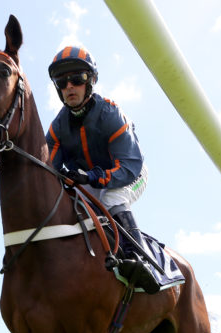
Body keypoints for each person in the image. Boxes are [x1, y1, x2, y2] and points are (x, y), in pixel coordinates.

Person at [45, 46, 160, 294]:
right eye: (62, 82)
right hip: (92, 178)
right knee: (70, 203)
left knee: (111, 197)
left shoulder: (111, 113)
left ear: (91, 81)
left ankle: (141, 260)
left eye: (77, 79)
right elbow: (46, 172)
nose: (69, 87)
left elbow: (129, 166)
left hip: (130, 173)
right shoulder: (57, 127)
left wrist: (92, 177)